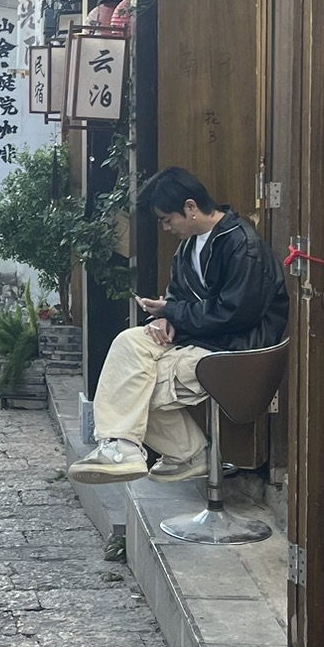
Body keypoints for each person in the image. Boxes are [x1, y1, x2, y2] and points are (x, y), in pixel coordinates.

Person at [69, 167, 288, 486]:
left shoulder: (242, 244)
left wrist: (176, 312)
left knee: (135, 388)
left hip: (237, 348)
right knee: (129, 343)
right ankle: (120, 445)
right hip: (201, 337)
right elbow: (179, 295)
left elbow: (236, 314)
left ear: (190, 206)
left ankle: (184, 453)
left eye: (167, 219)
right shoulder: (190, 246)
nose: (166, 227)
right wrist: (164, 317)